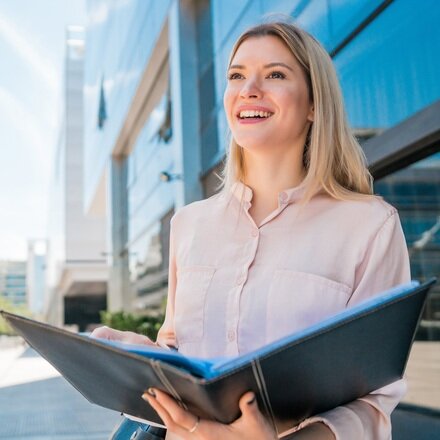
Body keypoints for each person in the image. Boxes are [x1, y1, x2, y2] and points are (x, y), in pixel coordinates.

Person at [92, 21, 410, 439]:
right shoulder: (189, 224)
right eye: (237, 76)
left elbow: (374, 399)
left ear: (314, 104)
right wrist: (134, 359)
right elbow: (179, 350)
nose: (249, 89)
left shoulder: (370, 225)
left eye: (275, 74)